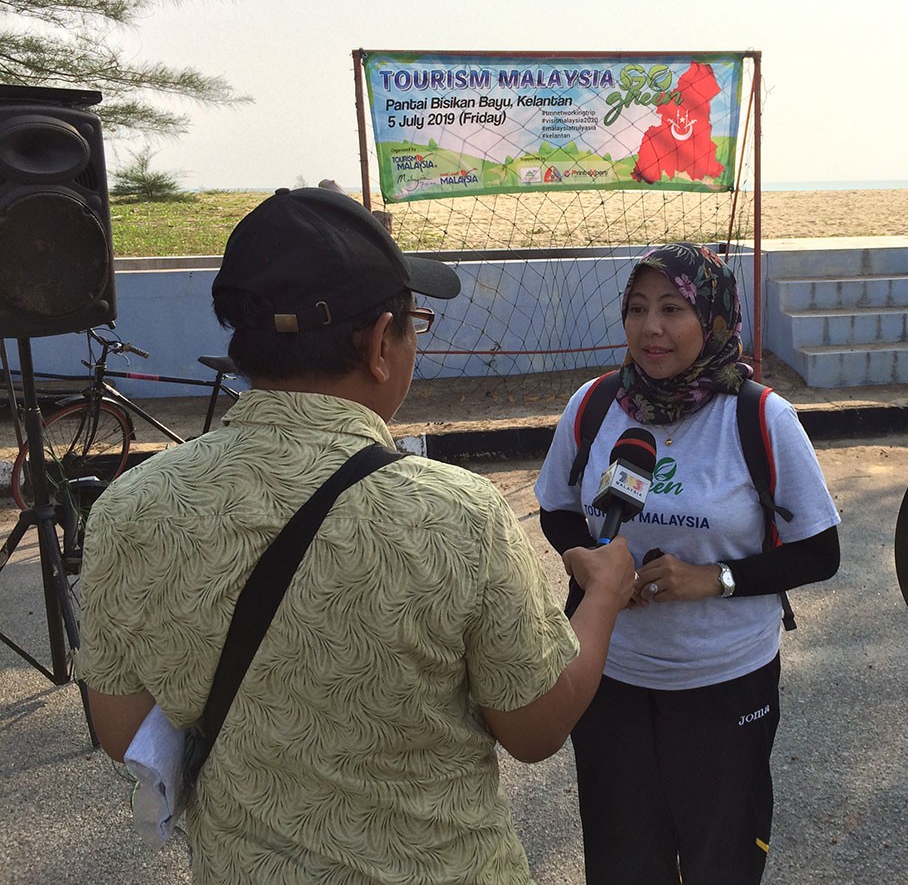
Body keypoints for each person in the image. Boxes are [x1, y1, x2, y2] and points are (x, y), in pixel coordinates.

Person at [77, 187, 637, 885]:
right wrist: (603, 598)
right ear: (379, 345)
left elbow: (122, 732)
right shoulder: (456, 514)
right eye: (414, 325)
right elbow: (535, 729)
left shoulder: (131, 509)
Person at [534, 242, 842, 885]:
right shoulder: (594, 406)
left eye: (673, 309)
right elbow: (558, 510)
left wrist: (715, 580)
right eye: (637, 308)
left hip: (724, 685)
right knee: (622, 863)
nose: (651, 327)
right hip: (609, 679)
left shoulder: (761, 417)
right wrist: (585, 564)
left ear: (713, 318)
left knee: (721, 862)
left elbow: (820, 552)